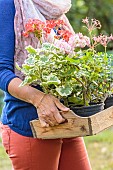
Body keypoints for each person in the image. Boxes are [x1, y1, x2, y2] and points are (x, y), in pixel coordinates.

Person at [0, 0, 92, 169]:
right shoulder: (7, 4)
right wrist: (40, 100)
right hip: (31, 124)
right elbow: (1, 71)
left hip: (67, 119)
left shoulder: (52, 4)